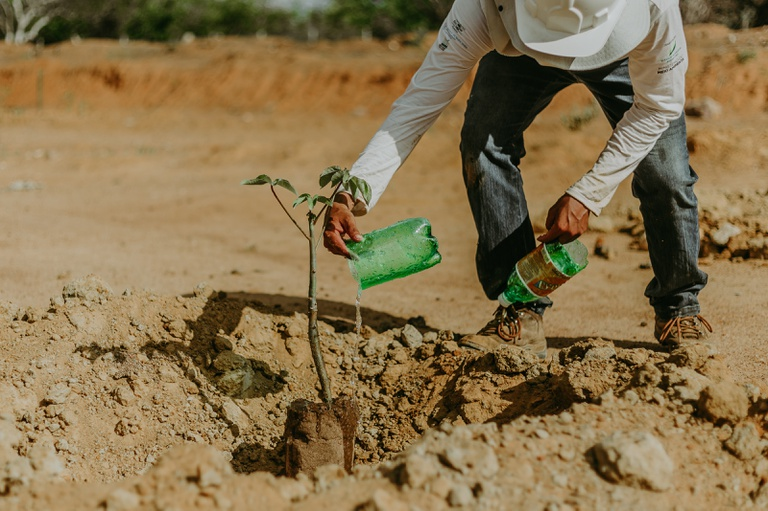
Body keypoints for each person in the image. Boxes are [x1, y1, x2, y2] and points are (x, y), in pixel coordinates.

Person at [323, 0, 712, 359]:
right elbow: (420, 101)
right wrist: (353, 190)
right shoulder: (482, 6)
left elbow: (659, 106)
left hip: (624, 54)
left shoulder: (653, 8)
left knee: (667, 175)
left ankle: (679, 306)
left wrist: (589, 193)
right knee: (482, 145)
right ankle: (520, 312)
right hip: (520, 47)